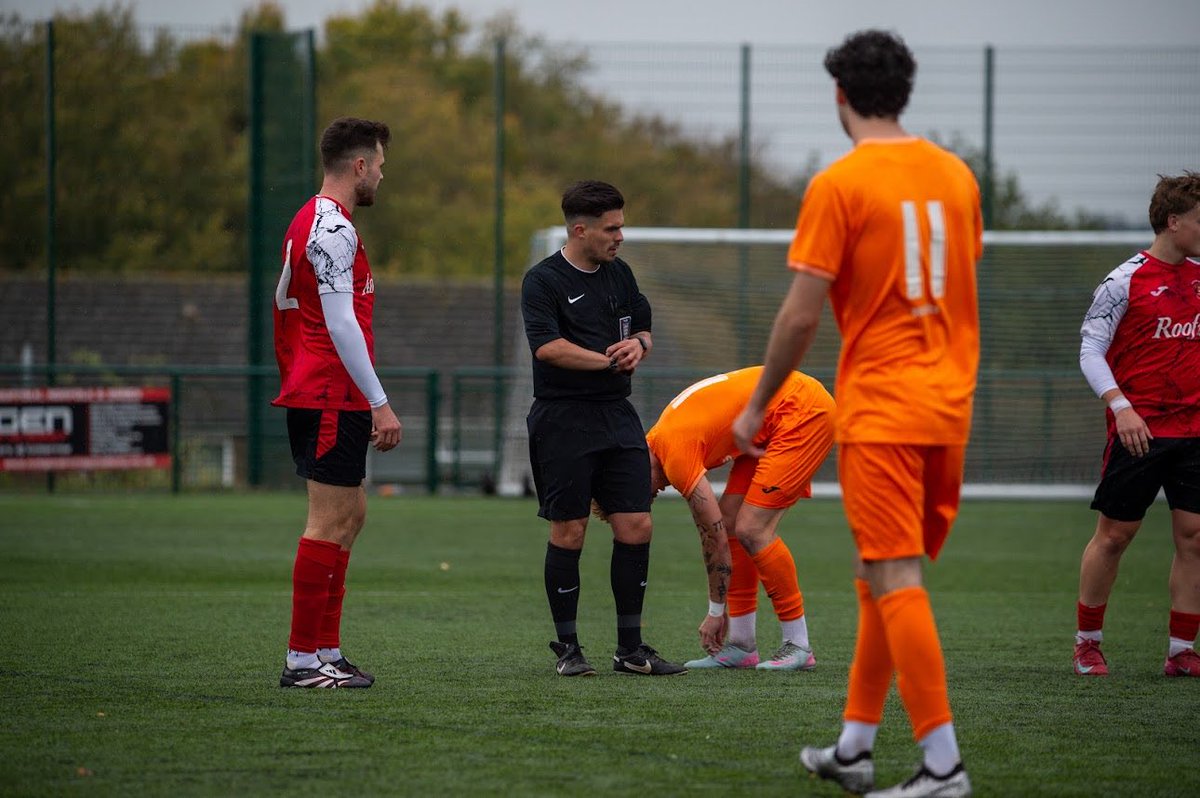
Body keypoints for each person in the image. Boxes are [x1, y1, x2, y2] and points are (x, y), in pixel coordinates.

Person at [732, 30, 980, 798]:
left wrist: (758, 402)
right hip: (950, 408)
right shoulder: (957, 177)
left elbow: (802, 317)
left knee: (894, 574)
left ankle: (943, 766)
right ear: (905, 91)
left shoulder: (839, 184)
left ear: (839, 95)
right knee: (881, 575)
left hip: (881, 407)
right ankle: (855, 746)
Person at [522, 179, 685, 678]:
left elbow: (642, 325)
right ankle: (569, 649)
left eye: (621, 225)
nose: (620, 236)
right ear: (580, 229)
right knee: (569, 531)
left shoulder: (620, 274)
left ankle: (631, 650)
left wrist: (639, 344)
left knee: (637, 525)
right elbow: (547, 347)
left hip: (617, 417)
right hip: (563, 418)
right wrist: (606, 362)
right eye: (611, 228)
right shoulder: (543, 281)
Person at [272, 117, 403, 689]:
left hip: (334, 389)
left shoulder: (322, 220)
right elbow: (340, 322)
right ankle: (302, 660)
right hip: (328, 390)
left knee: (353, 515)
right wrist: (380, 401)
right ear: (359, 166)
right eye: (378, 164)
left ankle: (326, 649)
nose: (381, 173)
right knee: (327, 521)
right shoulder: (331, 228)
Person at [1074, 171, 1200, 679]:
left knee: (1194, 537)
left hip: (1194, 431)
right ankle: (1087, 643)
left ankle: (1180, 650)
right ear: (1174, 222)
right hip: (1140, 431)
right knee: (1115, 535)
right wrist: (1120, 405)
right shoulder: (1124, 280)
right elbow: (1090, 349)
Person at [643, 366, 835, 671]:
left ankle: (799, 645)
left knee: (752, 529)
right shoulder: (657, 439)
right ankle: (742, 645)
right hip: (770, 418)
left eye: (645, 494)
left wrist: (715, 611)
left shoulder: (674, 453)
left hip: (801, 409)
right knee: (734, 522)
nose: (654, 494)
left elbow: (712, 537)